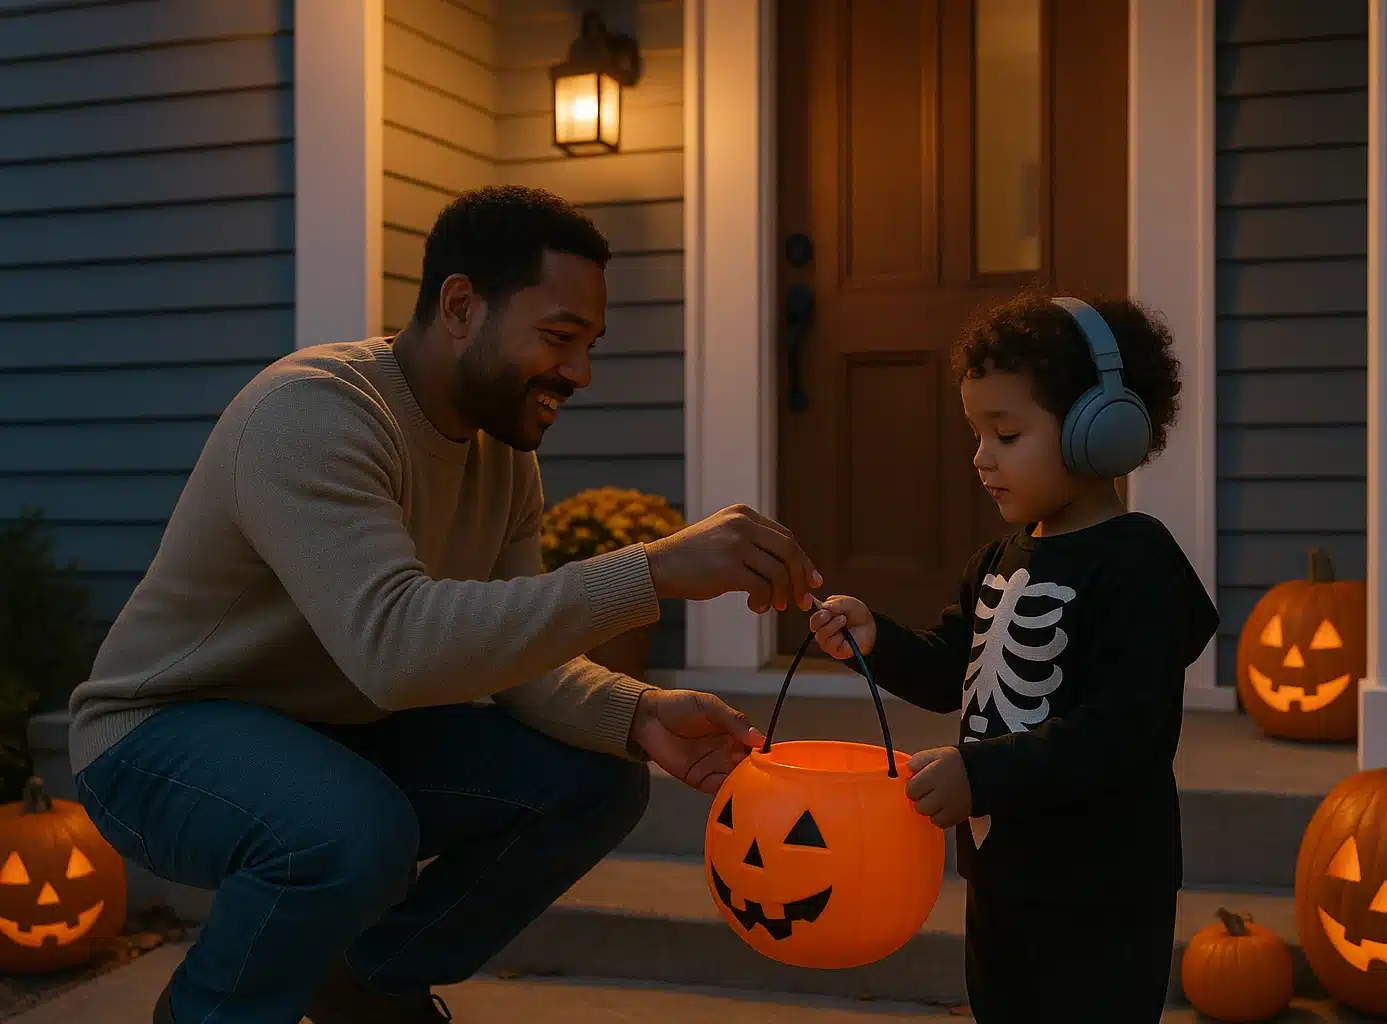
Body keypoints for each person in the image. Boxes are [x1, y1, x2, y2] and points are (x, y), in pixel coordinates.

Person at [67, 185, 823, 1024]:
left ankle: (365, 978)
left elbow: (513, 656)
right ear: (461, 306)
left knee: (597, 781)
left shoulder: (503, 463)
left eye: (589, 345)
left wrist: (636, 712)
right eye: (560, 338)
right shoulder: (313, 414)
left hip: (335, 737)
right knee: (352, 831)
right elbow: (396, 649)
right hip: (161, 738)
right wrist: (651, 571)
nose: (580, 373)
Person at [807, 291, 1219, 1023]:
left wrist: (983, 772)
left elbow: (1126, 728)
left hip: (1101, 885)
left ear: (1102, 431)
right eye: (975, 433)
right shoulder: (998, 558)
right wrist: (876, 642)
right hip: (1002, 870)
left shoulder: (1137, 562)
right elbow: (947, 672)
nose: (980, 458)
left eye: (1005, 434)